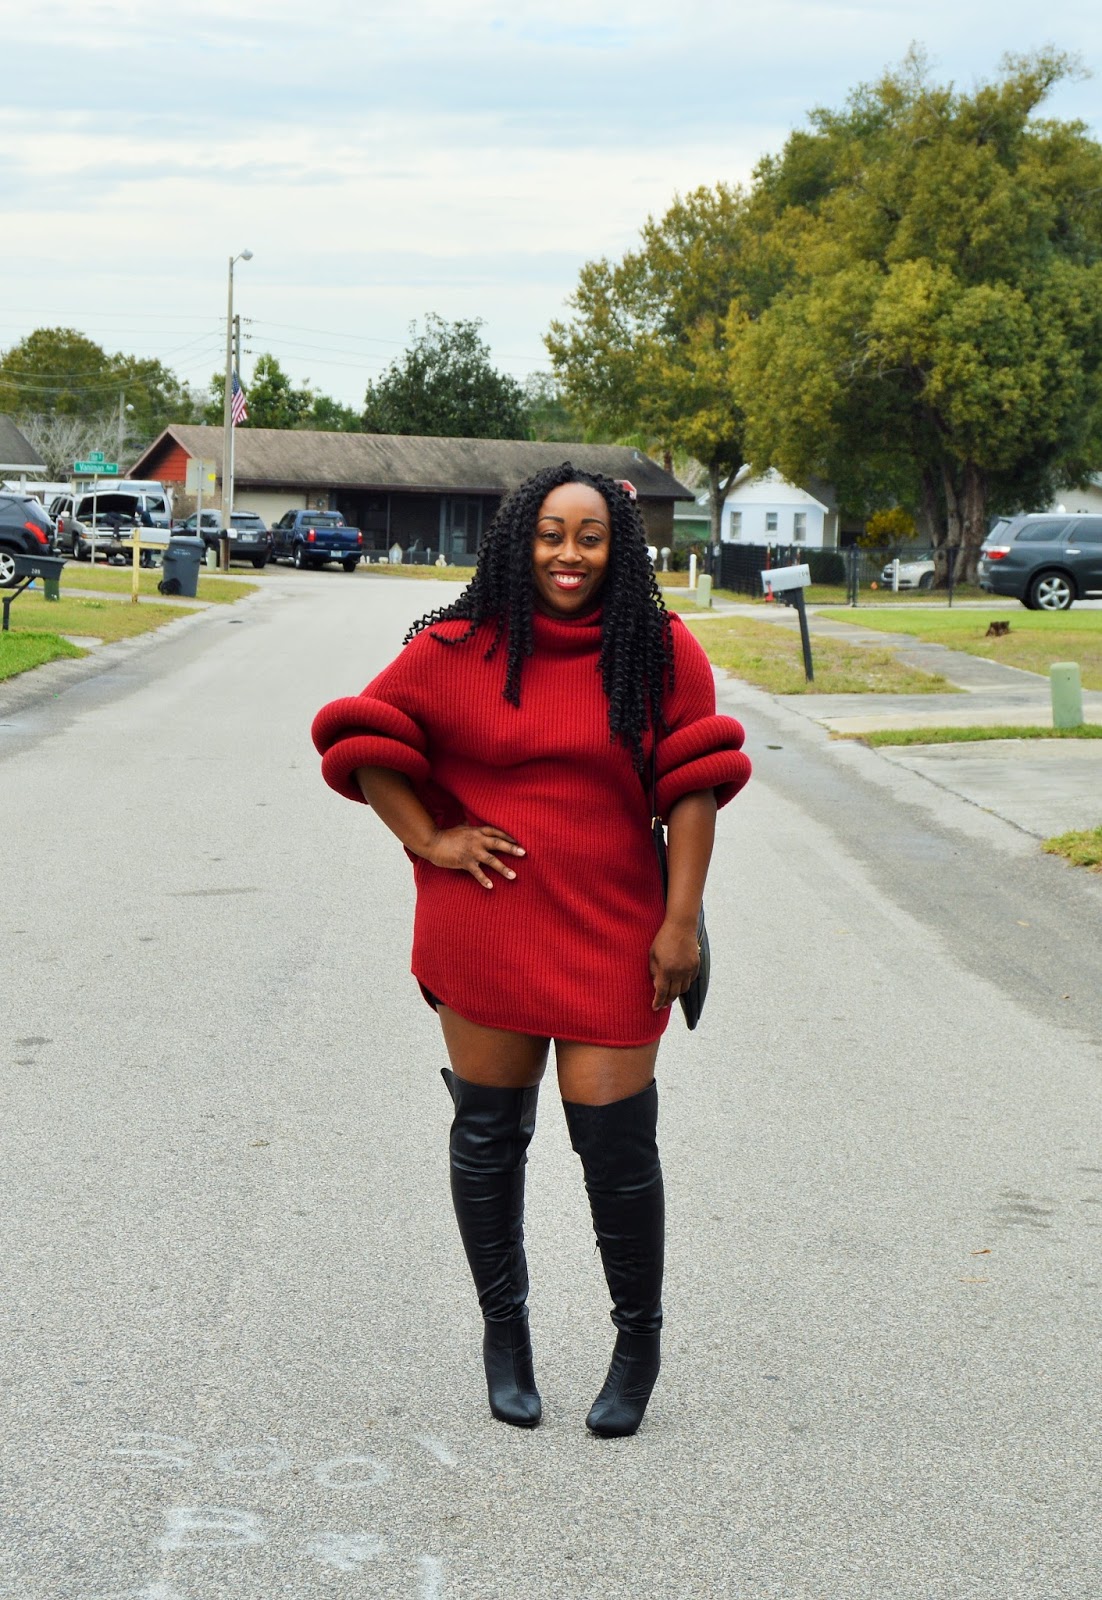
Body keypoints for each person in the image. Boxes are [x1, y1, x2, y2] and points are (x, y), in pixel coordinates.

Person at [312, 464, 751, 1438]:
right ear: (520, 538)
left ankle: (636, 1345)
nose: (568, 554)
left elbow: (694, 786)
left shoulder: (659, 649)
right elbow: (362, 738)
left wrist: (680, 922)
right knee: (488, 1135)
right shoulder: (455, 646)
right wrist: (430, 840)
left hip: (616, 928)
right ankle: (504, 1336)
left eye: (590, 536)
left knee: (617, 1148)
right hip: (487, 926)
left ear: (618, 549)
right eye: (551, 533)